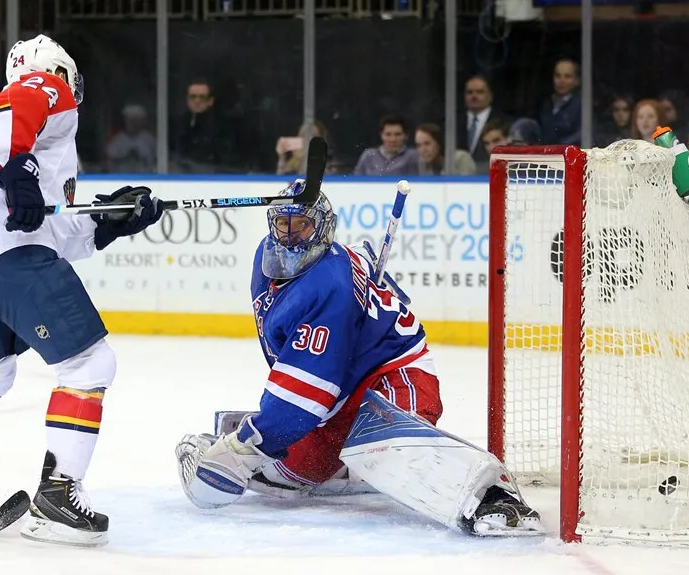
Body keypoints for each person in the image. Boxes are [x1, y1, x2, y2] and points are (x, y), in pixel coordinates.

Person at [175, 180, 544, 537]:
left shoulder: (327, 288)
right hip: (340, 387)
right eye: (281, 223)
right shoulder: (269, 255)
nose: (288, 235)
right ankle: (352, 466)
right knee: (288, 475)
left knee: (394, 448)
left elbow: (306, 392)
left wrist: (247, 445)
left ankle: (493, 498)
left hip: (391, 372)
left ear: (322, 229)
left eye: (301, 225)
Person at [0, 34, 164, 547]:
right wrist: (19, 171)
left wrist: (110, 221)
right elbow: (13, 108)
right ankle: (58, 497)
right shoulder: (45, 93)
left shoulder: (25, 144)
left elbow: (48, 230)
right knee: (89, 365)